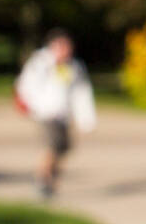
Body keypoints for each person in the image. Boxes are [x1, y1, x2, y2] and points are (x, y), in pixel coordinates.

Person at [14, 28, 95, 201]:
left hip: (63, 116)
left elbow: (81, 93)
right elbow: (26, 85)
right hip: (46, 114)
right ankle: (42, 180)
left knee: (63, 149)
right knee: (51, 147)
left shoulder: (74, 67)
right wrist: (34, 106)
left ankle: (50, 178)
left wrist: (86, 119)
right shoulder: (40, 63)